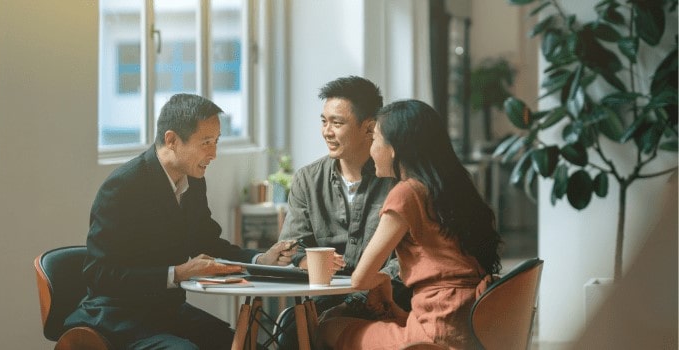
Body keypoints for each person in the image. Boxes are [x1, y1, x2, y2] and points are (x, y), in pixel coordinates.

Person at [65, 93, 296, 350]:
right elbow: (99, 275)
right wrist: (178, 273)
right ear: (172, 140)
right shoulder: (123, 187)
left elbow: (208, 244)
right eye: (206, 142)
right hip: (117, 317)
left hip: (167, 313)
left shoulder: (193, 182)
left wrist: (261, 259)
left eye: (216, 141)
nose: (214, 154)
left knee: (247, 346)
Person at [317, 99, 503, 350]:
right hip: (468, 324)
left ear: (395, 148)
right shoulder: (452, 187)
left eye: (375, 139)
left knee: (327, 327)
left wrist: (380, 280)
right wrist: (386, 283)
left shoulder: (406, 193)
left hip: (435, 333)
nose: (371, 149)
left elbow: (360, 279)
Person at [276, 76, 413, 348]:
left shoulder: (397, 180)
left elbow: (407, 258)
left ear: (369, 128)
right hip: (324, 300)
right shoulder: (307, 179)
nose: (327, 132)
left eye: (337, 123)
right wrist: (306, 261)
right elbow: (292, 246)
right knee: (290, 330)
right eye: (324, 121)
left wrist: (357, 300)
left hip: (385, 299)